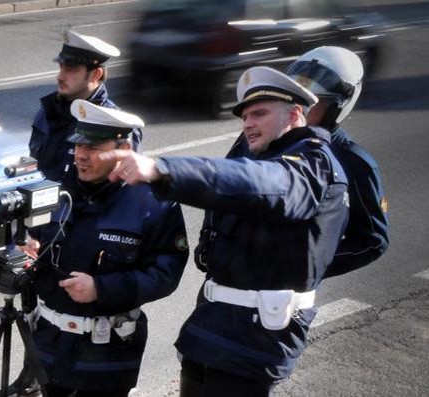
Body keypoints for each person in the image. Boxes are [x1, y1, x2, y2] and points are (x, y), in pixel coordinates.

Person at [98, 66, 350, 396]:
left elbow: (263, 184)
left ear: (295, 114)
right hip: (214, 324)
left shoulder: (311, 164)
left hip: (254, 339)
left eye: (259, 114)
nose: (248, 124)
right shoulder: (268, 158)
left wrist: (163, 169)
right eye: (244, 116)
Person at [21, 100, 188, 396]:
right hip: (50, 346)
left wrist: (102, 288)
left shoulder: (154, 202)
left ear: (123, 150)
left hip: (107, 357)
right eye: (78, 147)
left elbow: (166, 273)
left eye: (94, 149)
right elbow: (34, 241)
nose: (81, 156)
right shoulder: (56, 192)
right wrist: (30, 250)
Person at [226, 46, 389, 278]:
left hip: (281, 297)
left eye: (312, 102)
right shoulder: (258, 136)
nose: (300, 108)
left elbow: (372, 240)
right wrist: (209, 239)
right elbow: (226, 186)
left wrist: (304, 265)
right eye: (295, 99)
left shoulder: (353, 162)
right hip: (226, 278)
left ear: (337, 106)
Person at [29, 31, 142, 182]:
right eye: (61, 67)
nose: (60, 76)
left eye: (70, 69)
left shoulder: (117, 125)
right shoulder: (48, 111)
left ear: (96, 74)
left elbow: (125, 184)